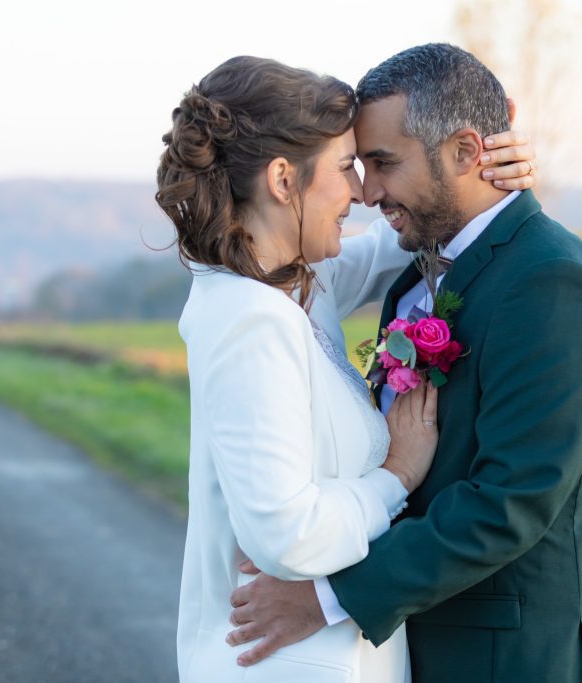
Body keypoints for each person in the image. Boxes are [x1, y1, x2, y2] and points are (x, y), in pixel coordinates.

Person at [226, 44, 582, 683]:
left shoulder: (553, 283)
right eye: (360, 165)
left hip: (515, 661)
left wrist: (325, 599)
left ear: (469, 152)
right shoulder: (417, 279)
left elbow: (509, 502)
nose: (369, 191)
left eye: (384, 163)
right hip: (417, 651)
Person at [155, 55, 537, 683]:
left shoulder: (300, 284)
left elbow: (413, 228)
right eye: (344, 169)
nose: (362, 193)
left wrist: (487, 168)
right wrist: (397, 475)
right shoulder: (248, 318)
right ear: (283, 180)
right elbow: (288, 534)